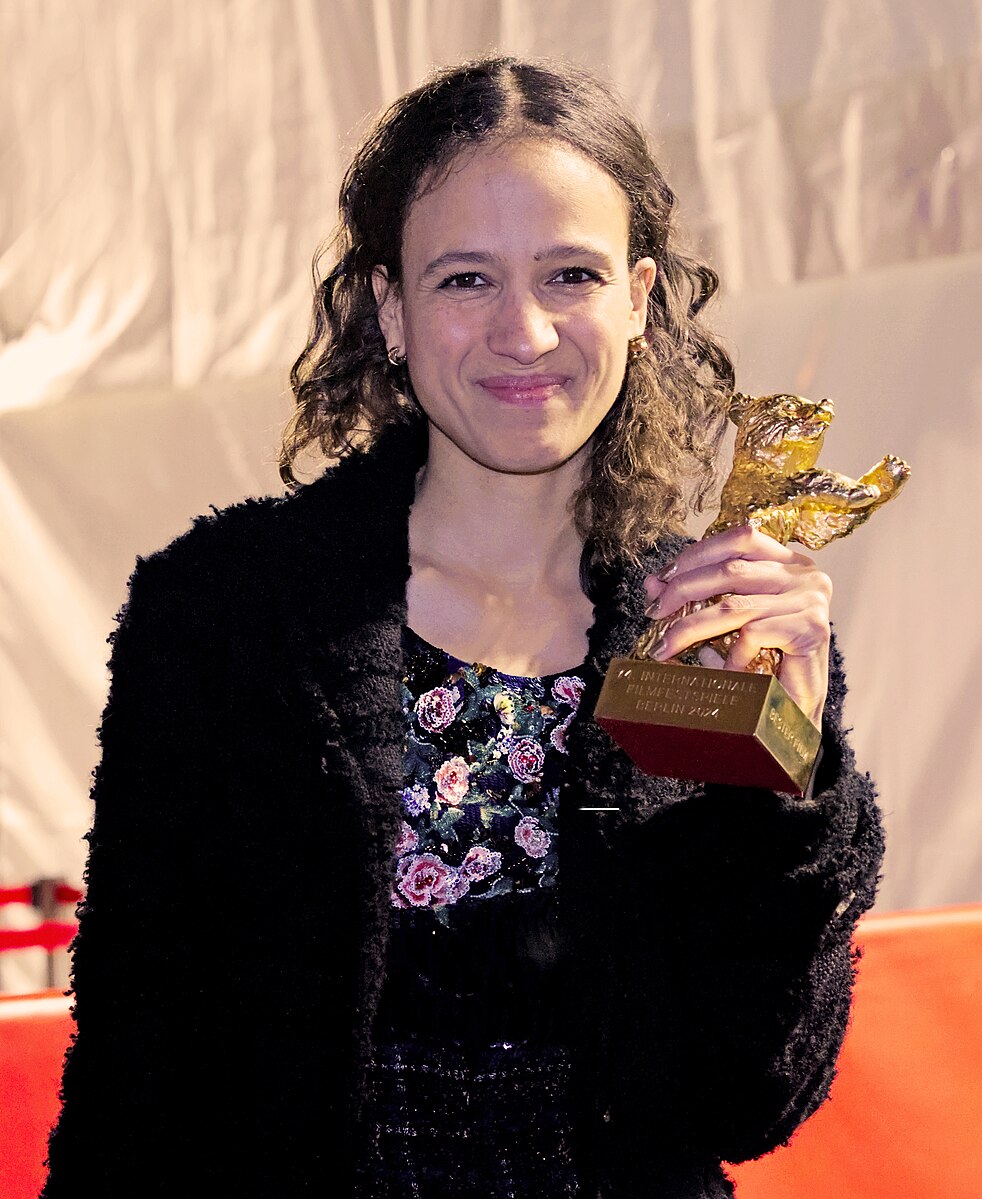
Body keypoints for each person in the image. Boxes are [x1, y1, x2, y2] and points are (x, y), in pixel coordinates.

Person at [42, 56, 883, 1199]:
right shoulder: (227, 613)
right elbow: (137, 1071)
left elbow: (751, 1092)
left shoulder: (718, 631)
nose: (524, 332)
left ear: (639, 300)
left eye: (570, 274)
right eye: (465, 280)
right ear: (388, 307)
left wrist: (790, 777)